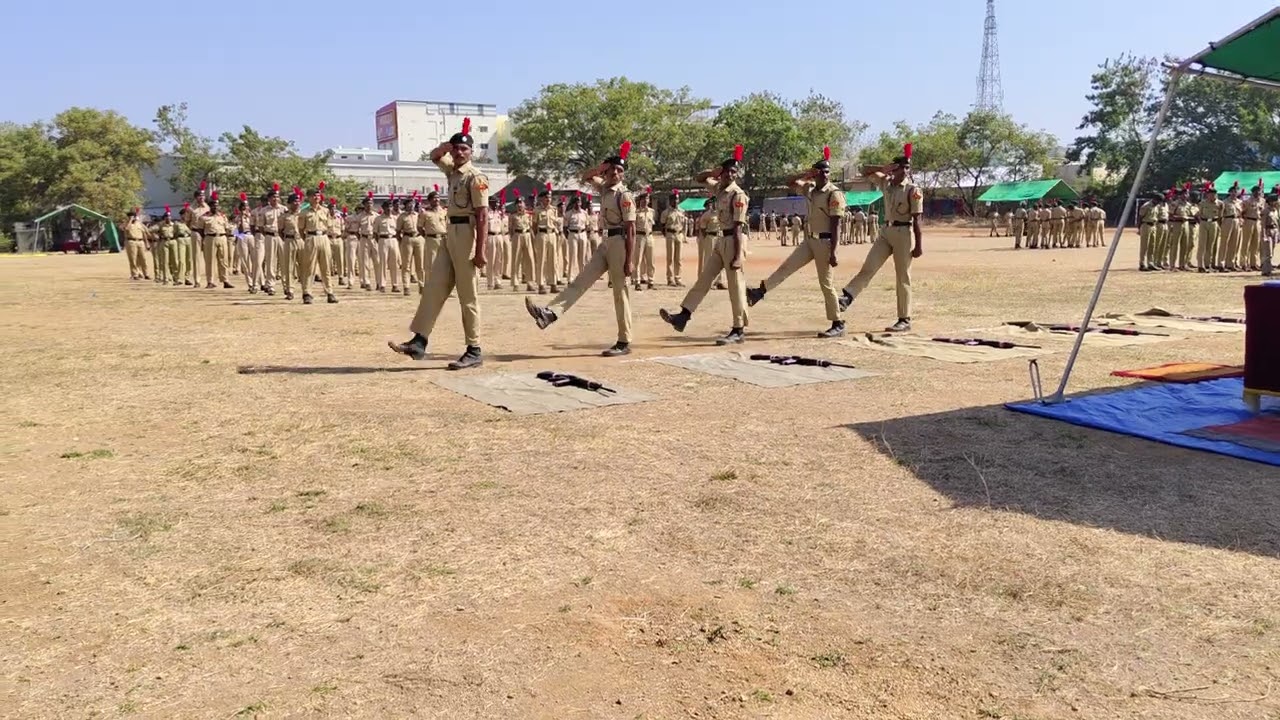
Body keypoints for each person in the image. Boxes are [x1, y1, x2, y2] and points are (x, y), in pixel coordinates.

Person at [388, 117, 490, 369]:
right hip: (450, 233)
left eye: (464, 149)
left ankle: (474, 349)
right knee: (434, 287)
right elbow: (434, 155)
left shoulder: (476, 177)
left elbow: (483, 215)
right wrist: (450, 142)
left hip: (467, 234)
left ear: (472, 152)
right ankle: (419, 341)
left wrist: (480, 251)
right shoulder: (453, 171)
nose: (459, 152)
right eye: (456, 149)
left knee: (468, 296)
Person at [523, 140, 636, 357]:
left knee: (620, 293)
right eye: (611, 169)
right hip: (605, 242)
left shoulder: (625, 195)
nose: (615, 173)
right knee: (581, 281)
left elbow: (630, 228)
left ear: (623, 175)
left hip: (620, 243)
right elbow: (585, 176)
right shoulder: (604, 189)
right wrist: (600, 167)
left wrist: (629, 259)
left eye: (619, 170)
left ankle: (624, 340)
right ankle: (550, 314)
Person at [746, 146, 846, 338]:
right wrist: (805, 174)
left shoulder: (834, 194)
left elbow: (836, 225)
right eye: (820, 172)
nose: (824, 175)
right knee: (786, 267)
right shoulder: (810, 189)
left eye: (827, 172)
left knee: (826, 284)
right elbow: (789, 181)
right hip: (809, 240)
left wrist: (834, 252)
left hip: (825, 242)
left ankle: (837, 322)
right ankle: (760, 291)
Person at [657, 144, 751, 345]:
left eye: (734, 172)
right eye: (727, 172)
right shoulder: (719, 189)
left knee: (735, 286)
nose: (730, 175)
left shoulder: (738, 195)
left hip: (733, 240)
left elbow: (738, 225)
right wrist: (712, 172)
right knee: (705, 278)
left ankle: (738, 328)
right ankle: (683, 316)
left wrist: (736, 256)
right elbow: (699, 178)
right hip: (720, 240)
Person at [835, 143, 923, 333]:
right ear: (894, 169)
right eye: (902, 167)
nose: (905, 171)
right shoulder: (886, 182)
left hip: (904, 233)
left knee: (902, 277)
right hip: (886, 232)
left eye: (908, 167)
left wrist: (918, 245)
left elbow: (917, 219)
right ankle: (848, 297)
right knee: (869, 267)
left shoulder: (912, 190)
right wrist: (883, 169)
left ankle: (904, 319)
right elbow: (865, 171)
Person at [298, 185, 337, 304]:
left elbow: (330, 225)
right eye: (314, 195)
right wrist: (307, 239)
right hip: (311, 237)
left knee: (326, 267)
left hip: (324, 237)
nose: (316, 197)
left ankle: (329, 292)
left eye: (318, 195)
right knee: (309, 268)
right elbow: (300, 229)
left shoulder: (325, 210)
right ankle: (307, 293)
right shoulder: (304, 212)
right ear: (309, 198)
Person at [196, 193, 233, 289]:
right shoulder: (204, 217)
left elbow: (227, 227)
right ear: (210, 206)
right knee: (210, 261)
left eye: (217, 205)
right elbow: (200, 229)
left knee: (224, 260)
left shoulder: (222, 216)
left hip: (222, 238)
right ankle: (210, 281)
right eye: (213, 205)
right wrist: (205, 238)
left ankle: (225, 280)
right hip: (210, 238)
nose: (215, 207)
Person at [418, 187, 448, 289]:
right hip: (431, 239)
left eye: (438, 198)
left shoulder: (444, 212)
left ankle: (443, 287)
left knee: (444, 264)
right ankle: (430, 287)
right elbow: (419, 227)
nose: (437, 200)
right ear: (430, 200)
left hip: (443, 239)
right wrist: (427, 236)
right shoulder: (425, 213)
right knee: (431, 264)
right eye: (434, 198)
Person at [258, 186, 285, 296]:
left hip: (282, 236)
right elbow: (260, 226)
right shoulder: (264, 211)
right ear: (269, 199)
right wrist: (268, 234)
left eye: (277, 197)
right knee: (270, 261)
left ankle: (286, 285)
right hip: (270, 236)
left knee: (284, 261)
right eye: (273, 197)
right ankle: (270, 285)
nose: (275, 199)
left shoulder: (284, 209)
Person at [533, 185, 560, 294]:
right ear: (541, 199)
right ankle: (541, 284)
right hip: (542, 235)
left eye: (549, 197)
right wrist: (537, 236)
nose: (548, 199)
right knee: (541, 260)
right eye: (546, 197)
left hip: (552, 235)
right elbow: (534, 225)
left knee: (553, 260)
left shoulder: (554, 210)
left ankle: (553, 283)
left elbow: (555, 223)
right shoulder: (537, 210)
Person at [633, 188, 656, 290]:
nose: (645, 201)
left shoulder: (652, 211)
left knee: (650, 260)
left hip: (649, 236)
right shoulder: (636, 212)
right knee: (638, 260)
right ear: (640, 200)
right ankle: (637, 281)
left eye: (647, 198)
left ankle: (651, 281)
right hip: (639, 237)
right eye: (643, 199)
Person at [661, 191, 686, 286]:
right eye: (674, 199)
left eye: (677, 199)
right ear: (670, 201)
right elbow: (662, 226)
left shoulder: (682, 211)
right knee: (670, 258)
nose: (676, 201)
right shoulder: (666, 212)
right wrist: (667, 235)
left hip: (679, 234)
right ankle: (670, 278)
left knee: (678, 258)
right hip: (670, 234)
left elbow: (683, 224)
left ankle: (678, 278)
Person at [121, 207, 149, 280]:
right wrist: (130, 220)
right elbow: (126, 229)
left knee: (143, 259)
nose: (133, 217)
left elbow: (145, 233)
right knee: (133, 259)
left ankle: (146, 273)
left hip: (140, 242)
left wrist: (147, 243)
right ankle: (135, 274)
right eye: (131, 216)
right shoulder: (126, 223)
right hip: (131, 242)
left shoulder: (139, 224)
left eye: (133, 216)